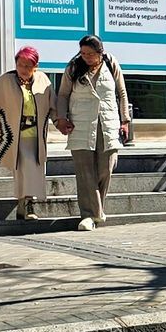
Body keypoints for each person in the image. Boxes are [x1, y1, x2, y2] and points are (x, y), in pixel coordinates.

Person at [0, 45, 54, 220]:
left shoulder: (43, 80)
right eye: (20, 65)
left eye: (28, 66)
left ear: (36, 66)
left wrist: (62, 121)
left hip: (37, 137)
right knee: (25, 169)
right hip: (16, 136)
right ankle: (27, 204)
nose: (24, 69)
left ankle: (24, 205)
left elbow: (54, 104)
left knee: (34, 169)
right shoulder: (7, 80)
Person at [53, 33, 131, 229]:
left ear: (100, 52)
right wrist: (61, 119)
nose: (85, 57)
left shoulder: (111, 63)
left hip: (108, 124)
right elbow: (62, 95)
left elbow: (121, 93)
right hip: (81, 124)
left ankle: (96, 211)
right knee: (85, 172)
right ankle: (89, 216)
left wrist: (125, 121)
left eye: (89, 53)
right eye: (82, 53)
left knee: (107, 167)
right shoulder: (73, 67)